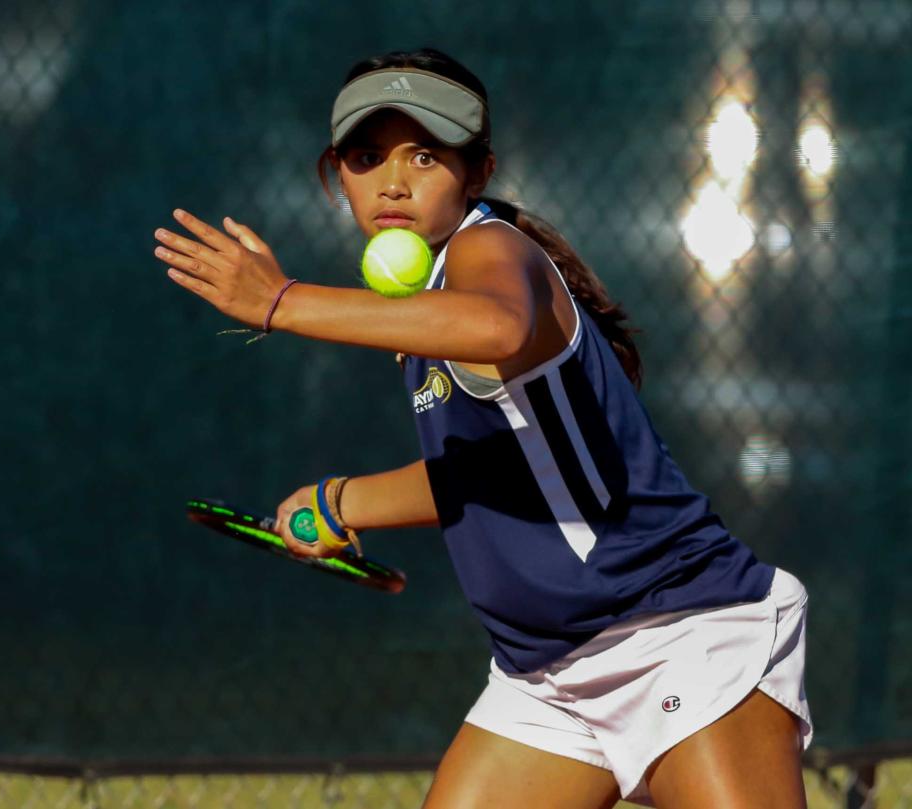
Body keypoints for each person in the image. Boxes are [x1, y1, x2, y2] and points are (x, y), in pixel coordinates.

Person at [153, 46, 812, 809]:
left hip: (676, 634)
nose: (393, 181)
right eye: (367, 157)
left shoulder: (489, 248)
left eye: (425, 155)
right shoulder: (420, 307)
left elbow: (499, 326)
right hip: (545, 676)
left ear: (479, 172)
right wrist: (343, 503)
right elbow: (498, 465)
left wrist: (281, 300)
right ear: (339, 176)